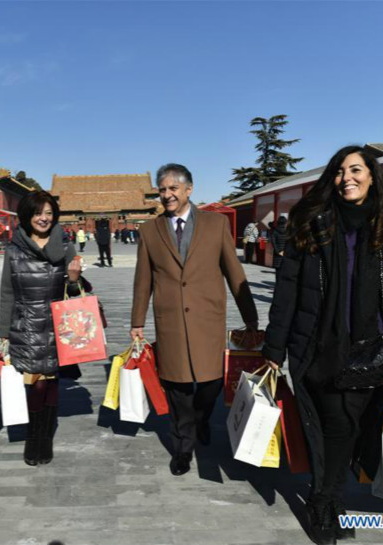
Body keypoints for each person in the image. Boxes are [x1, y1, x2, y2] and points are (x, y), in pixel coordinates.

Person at [262, 146, 383, 544]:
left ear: (371, 176)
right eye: (339, 171)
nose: (347, 177)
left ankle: (329, 498)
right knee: (334, 425)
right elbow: (288, 288)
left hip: (372, 346)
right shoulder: (311, 221)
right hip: (320, 344)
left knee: (351, 428)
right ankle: (325, 502)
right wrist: (274, 349)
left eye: (356, 170)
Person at [130, 163, 258, 476]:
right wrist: (137, 322)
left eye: (173, 188)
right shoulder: (150, 231)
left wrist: (250, 317)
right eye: (162, 190)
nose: (167, 195)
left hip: (207, 319)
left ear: (189, 190)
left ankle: (202, 418)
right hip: (171, 320)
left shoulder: (215, 225)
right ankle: (183, 447)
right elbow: (143, 279)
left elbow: (234, 272)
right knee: (177, 388)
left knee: (211, 382)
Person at [0, 191, 84, 466]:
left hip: (58, 325)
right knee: (33, 384)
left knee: (51, 383)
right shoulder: (14, 249)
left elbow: (77, 293)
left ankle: (44, 438)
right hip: (26, 324)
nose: (44, 218)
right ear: (27, 216)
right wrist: (3, 332)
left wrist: (73, 279)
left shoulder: (66, 246)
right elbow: (7, 292)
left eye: (48, 213)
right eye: (38, 213)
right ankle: (33, 436)